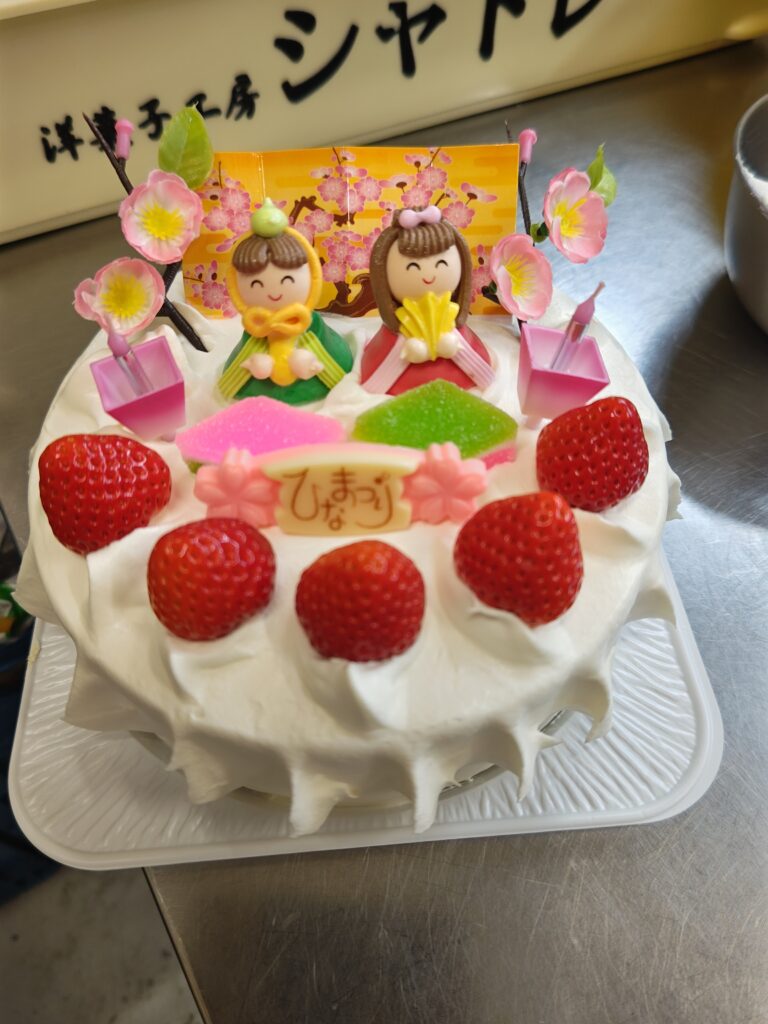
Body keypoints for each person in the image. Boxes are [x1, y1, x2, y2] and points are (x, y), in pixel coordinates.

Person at [219, 199, 353, 406]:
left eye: (287, 280)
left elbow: (334, 362)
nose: (273, 292)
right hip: (259, 400)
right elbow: (234, 375)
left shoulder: (310, 326)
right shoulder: (255, 327)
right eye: (256, 284)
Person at [360, 205, 494, 395]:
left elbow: (481, 370)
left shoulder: (457, 325)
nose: (428, 276)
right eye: (413, 267)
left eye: (441, 263)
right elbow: (375, 380)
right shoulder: (391, 334)